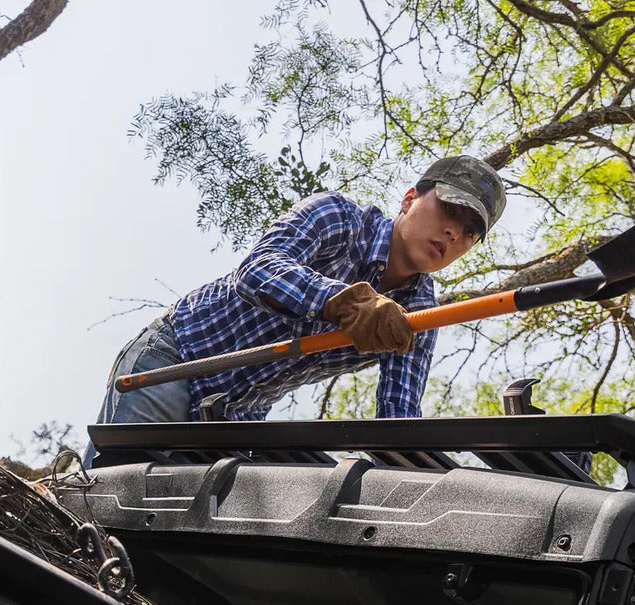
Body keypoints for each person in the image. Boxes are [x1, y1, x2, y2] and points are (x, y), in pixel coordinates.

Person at [85, 155, 506, 463]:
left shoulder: (418, 315)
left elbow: (397, 418)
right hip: (176, 360)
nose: (454, 232)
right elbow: (257, 271)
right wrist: (341, 302)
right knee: (103, 493)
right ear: (410, 198)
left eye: (470, 231)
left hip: (233, 421)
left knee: (154, 548)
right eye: (449, 209)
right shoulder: (339, 217)